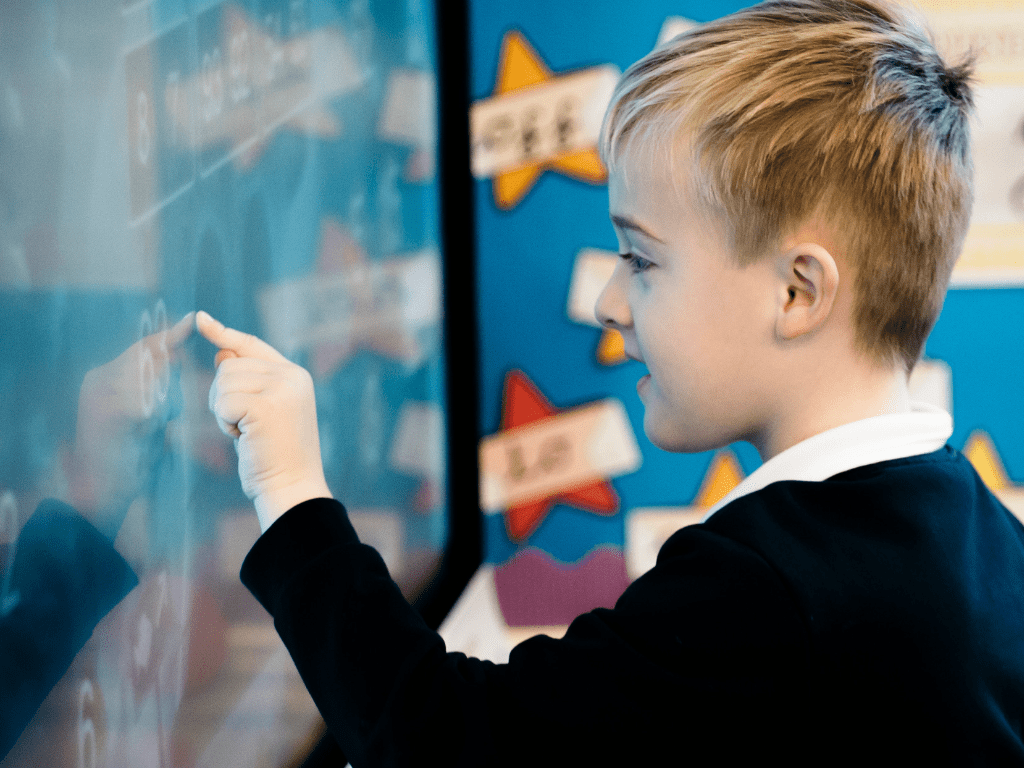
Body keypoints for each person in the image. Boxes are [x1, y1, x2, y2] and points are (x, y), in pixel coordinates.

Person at [196, 0, 1024, 764]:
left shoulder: (760, 595)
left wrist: (293, 496)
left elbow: (443, 744)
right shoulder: (976, 530)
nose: (606, 300)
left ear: (797, 293)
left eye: (642, 259)